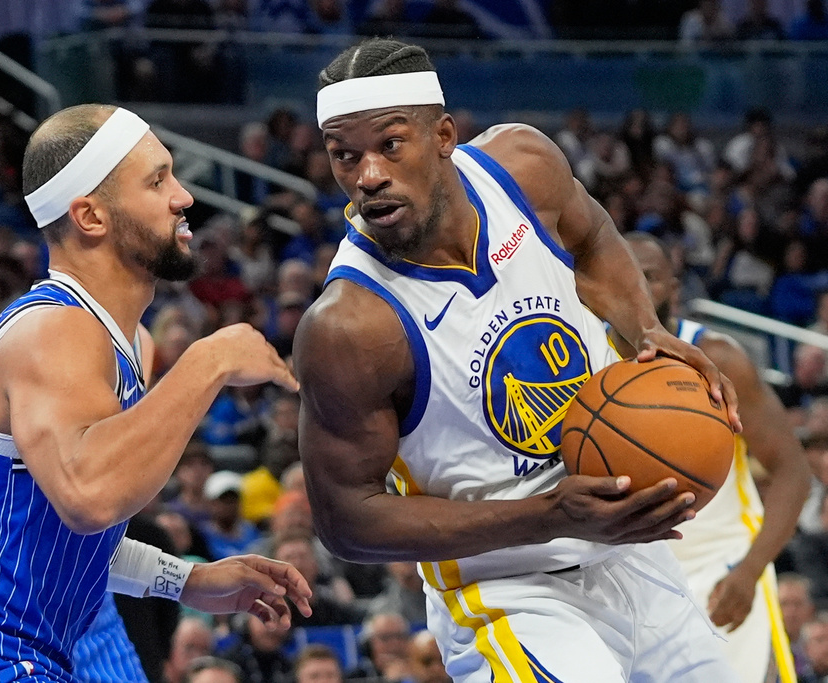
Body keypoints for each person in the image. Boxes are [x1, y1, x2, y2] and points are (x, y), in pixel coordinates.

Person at [294, 38, 741, 683]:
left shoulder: (524, 167)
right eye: (344, 156)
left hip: (631, 556)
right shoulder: (350, 326)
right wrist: (551, 514)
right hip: (506, 593)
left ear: (443, 134)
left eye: (390, 145)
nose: (367, 175)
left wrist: (646, 328)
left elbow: (594, 236)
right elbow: (347, 521)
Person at [0, 104, 311, 682]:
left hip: (4, 656)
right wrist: (209, 360)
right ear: (90, 216)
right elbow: (88, 495)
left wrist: (186, 580)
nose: (184, 196)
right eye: (157, 180)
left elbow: (64, 528)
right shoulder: (55, 328)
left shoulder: (111, 341)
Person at [610, 232, 810, 683]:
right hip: (629, 581)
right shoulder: (584, 362)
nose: (638, 286)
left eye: (651, 277)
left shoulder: (718, 360)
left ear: (675, 290)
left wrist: (751, 569)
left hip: (718, 572)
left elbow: (793, 472)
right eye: (627, 274)